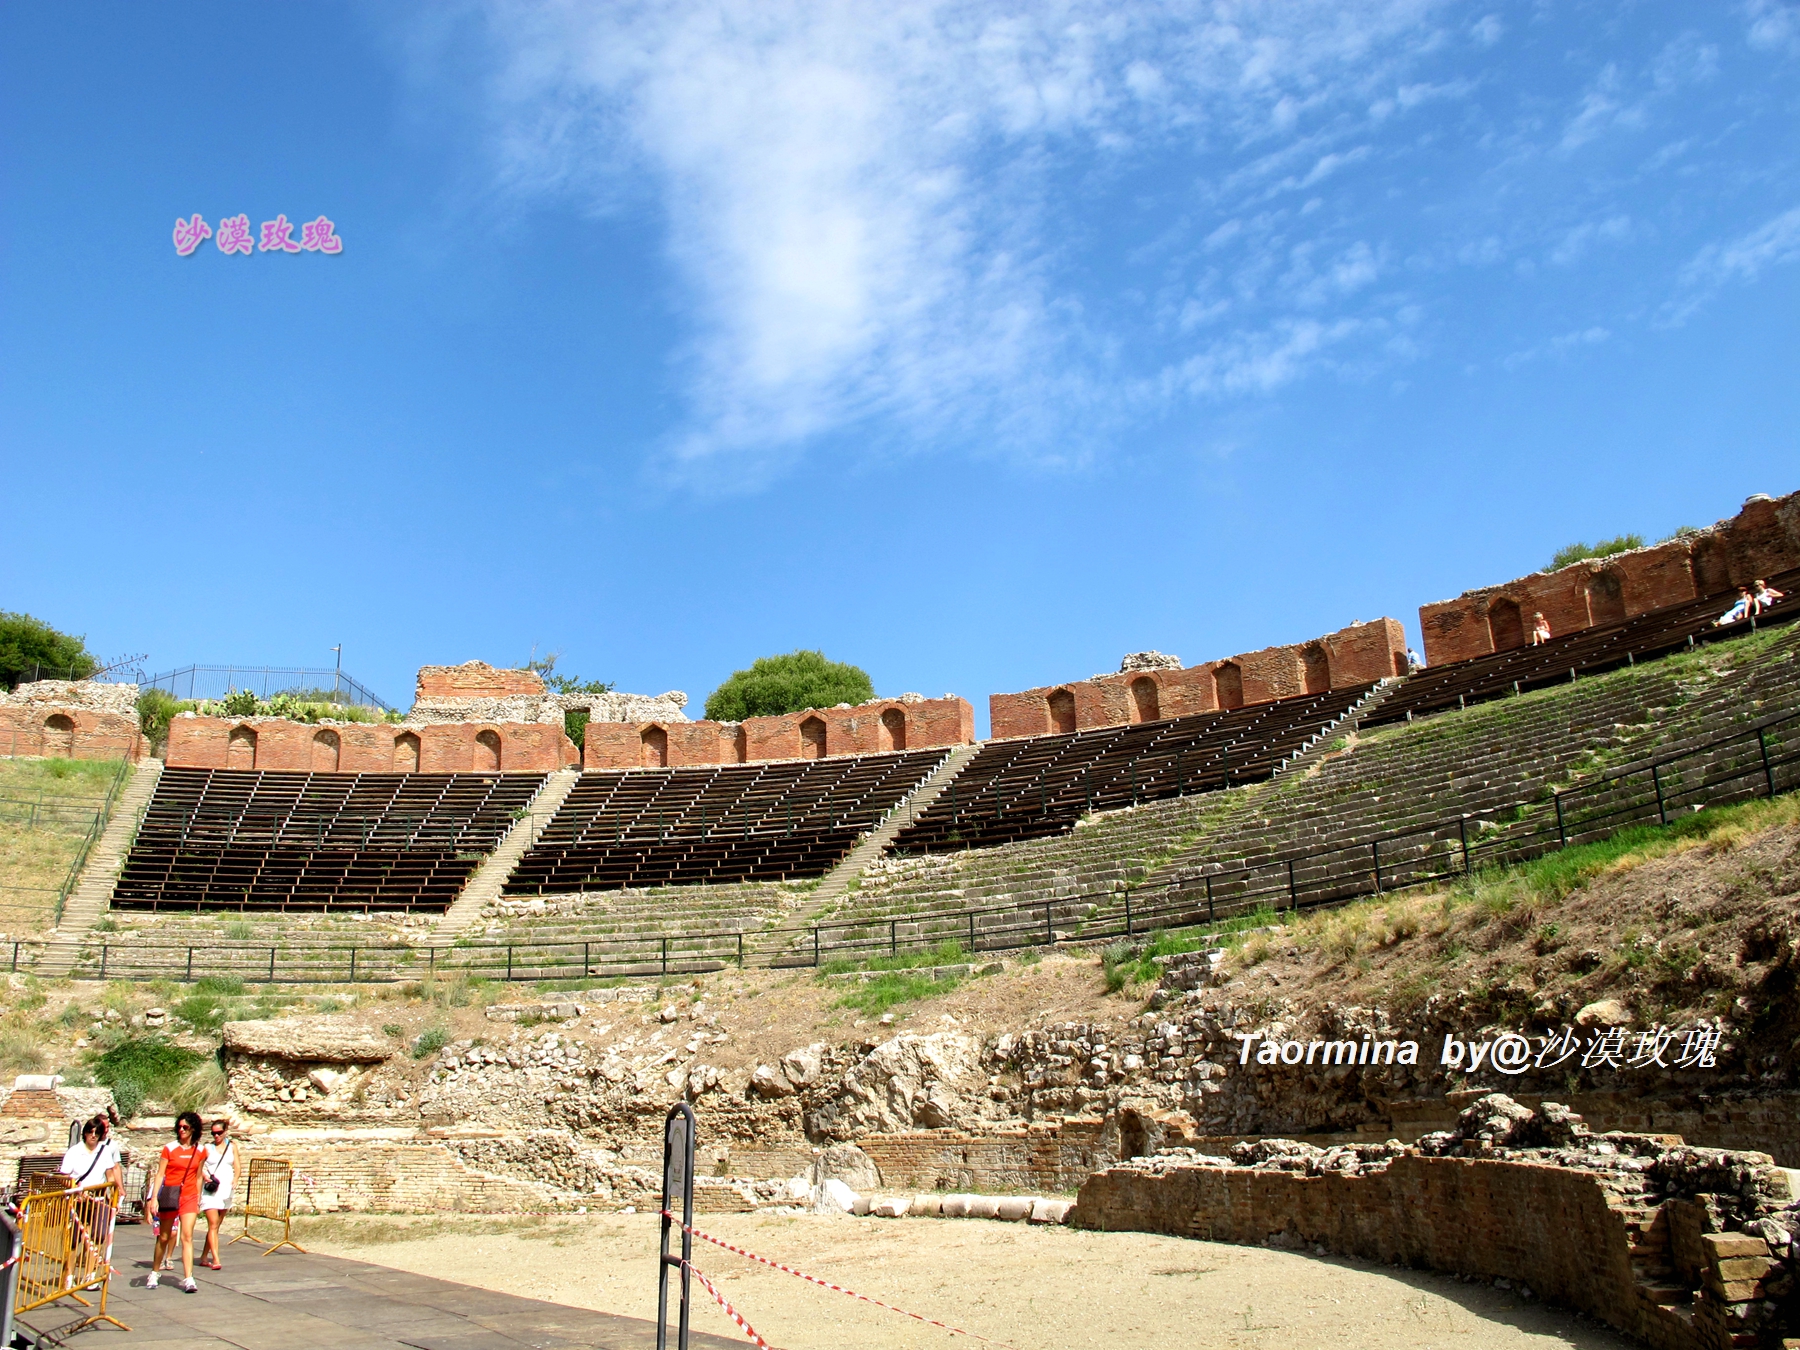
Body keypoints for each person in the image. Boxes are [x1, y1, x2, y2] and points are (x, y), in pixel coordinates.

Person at [144, 1111, 205, 1292]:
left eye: (185, 1127)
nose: (181, 1130)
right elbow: (160, 1174)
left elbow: (199, 1176)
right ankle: (155, 1271)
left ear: (193, 1129)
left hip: (189, 1195)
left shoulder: (200, 1150)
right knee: (164, 1236)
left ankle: (188, 1278)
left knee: (187, 1236)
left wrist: (199, 1196)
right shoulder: (169, 1148)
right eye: (179, 1127)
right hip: (170, 1193)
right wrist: (154, 1198)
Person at [198, 1118, 236, 1271]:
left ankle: (203, 1256)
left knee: (216, 1226)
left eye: (219, 1133)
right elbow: (198, 1166)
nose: (216, 1136)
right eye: (213, 1133)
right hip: (211, 1189)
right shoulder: (207, 1148)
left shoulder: (232, 1146)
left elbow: (238, 1165)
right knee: (213, 1224)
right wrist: (205, 1175)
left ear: (225, 1132)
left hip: (226, 1189)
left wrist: (236, 1179)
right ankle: (216, 1258)